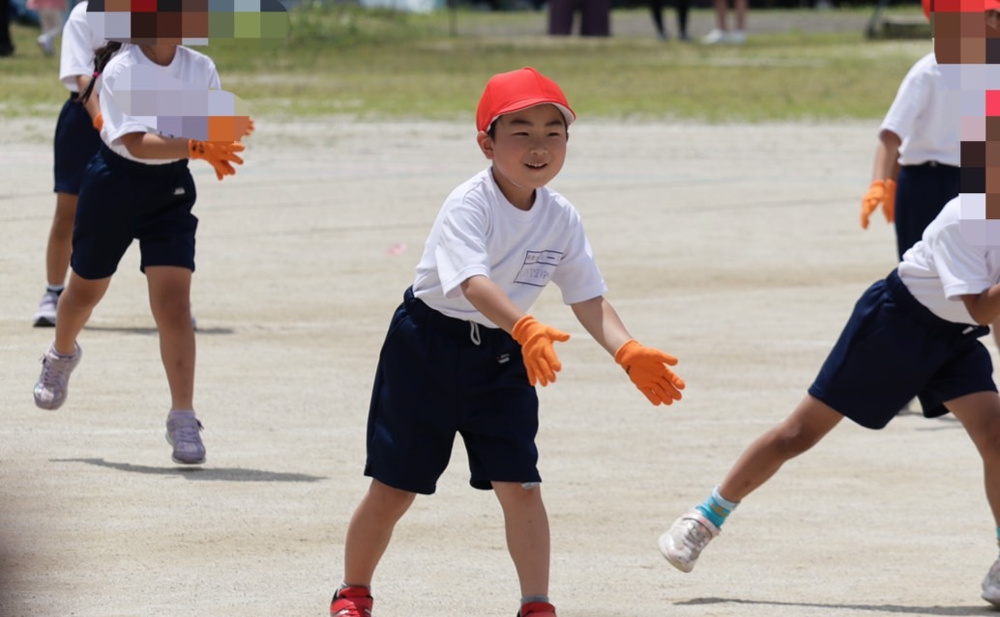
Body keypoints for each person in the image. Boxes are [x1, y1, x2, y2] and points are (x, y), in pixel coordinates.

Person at [329, 66, 686, 617]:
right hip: (426, 347)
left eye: (553, 132)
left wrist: (626, 350)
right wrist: (524, 325)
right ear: (486, 143)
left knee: (521, 486)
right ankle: (353, 591)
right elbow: (472, 283)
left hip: (504, 356)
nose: (538, 145)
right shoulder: (468, 204)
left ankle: (536, 604)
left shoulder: (561, 216)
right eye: (520, 131)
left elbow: (587, 296)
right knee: (394, 488)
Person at [658, 196, 1000, 607]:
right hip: (896, 324)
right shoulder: (962, 218)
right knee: (798, 435)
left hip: (953, 339)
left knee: (995, 436)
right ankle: (705, 518)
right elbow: (981, 307)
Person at [31, 34, 249, 465]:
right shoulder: (121, 69)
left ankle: (182, 416)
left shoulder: (199, 68)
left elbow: (211, 123)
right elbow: (135, 143)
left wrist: (227, 128)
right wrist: (198, 143)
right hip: (113, 184)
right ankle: (61, 353)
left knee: (173, 305)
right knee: (85, 292)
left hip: (169, 190)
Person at [32, 0, 104, 328]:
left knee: (148, 212)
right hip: (85, 118)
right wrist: (103, 121)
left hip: (134, 115)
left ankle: (169, 302)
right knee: (68, 211)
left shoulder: (151, 13)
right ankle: (53, 292)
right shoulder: (85, 13)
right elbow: (81, 76)